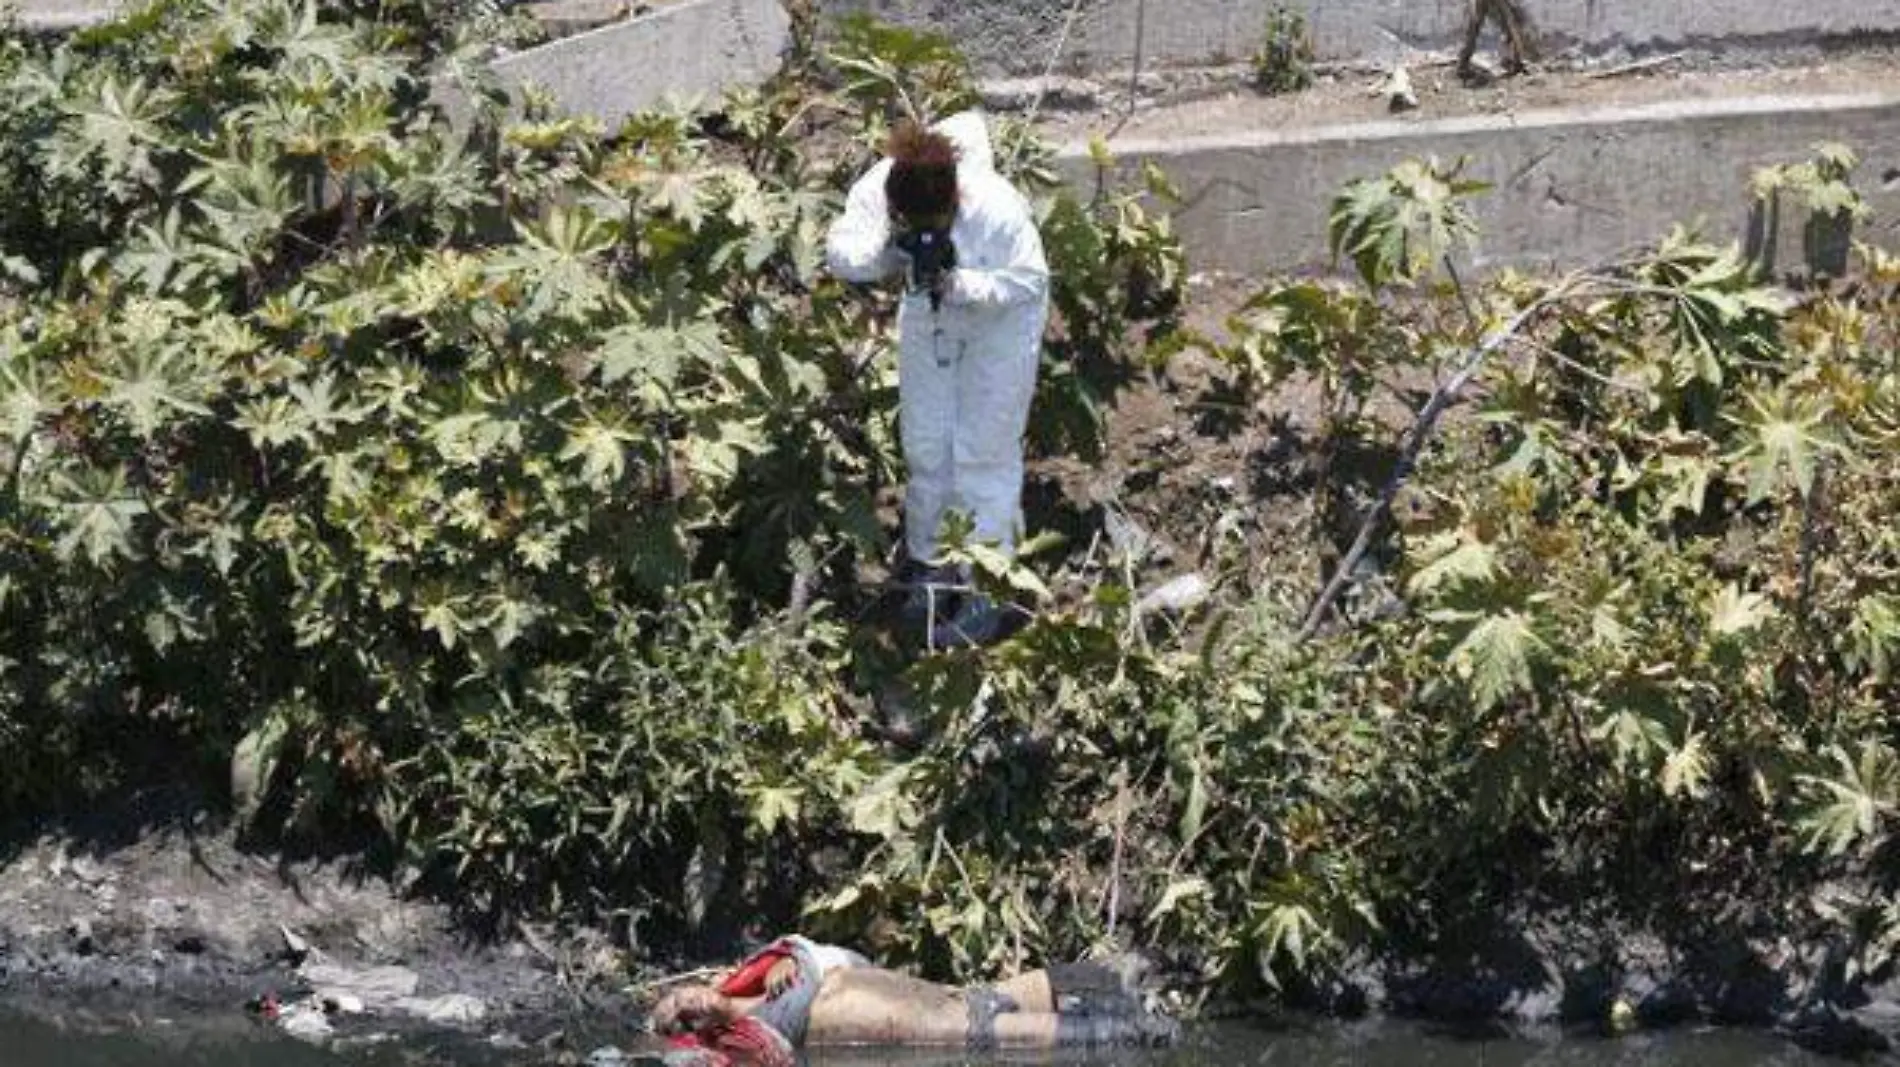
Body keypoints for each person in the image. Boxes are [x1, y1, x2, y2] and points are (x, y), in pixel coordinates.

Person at [826, 111, 1051, 649]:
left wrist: (964, 284)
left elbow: (1028, 280)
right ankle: (931, 564)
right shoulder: (878, 192)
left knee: (982, 451)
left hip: (999, 329)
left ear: (956, 203)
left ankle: (986, 586)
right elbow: (842, 254)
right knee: (928, 444)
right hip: (928, 318)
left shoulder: (996, 207)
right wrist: (890, 246)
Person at [642, 934, 1177, 1067]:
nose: (685, 1004)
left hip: (866, 991)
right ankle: (1146, 1033)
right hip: (859, 1022)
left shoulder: (754, 973)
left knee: (984, 1001)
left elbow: (818, 954)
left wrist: (788, 962)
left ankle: (1140, 980)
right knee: (985, 1027)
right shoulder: (734, 1043)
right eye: (680, 1016)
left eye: (679, 997)